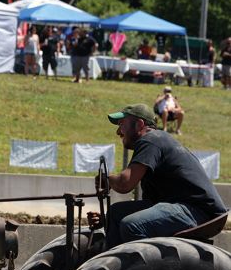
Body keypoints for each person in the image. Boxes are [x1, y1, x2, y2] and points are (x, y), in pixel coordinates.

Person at [88, 103, 226, 249]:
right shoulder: (155, 142)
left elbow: (125, 184)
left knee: (132, 225)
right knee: (115, 214)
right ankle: (111, 264)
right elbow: (150, 202)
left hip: (197, 210)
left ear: (139, 124)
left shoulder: (151, 140)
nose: (118, 132)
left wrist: (106, 179)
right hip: (181, 206)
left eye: (122, 124)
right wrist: (105, 220)